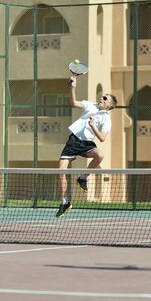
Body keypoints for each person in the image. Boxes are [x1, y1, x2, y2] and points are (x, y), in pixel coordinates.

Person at [55, 75, 117, 218]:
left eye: (105, 99)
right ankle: (64, 202)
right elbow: (73, 102)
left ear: (110, 106)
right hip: (74, 140)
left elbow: (102, 138)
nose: (102, 98)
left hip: (87, 143)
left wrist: (93, 126)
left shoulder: (106, 119)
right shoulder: (90, 105)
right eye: (102, 97)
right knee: (60, 170)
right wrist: (73, 87)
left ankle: (83, 177)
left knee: (100, 155)